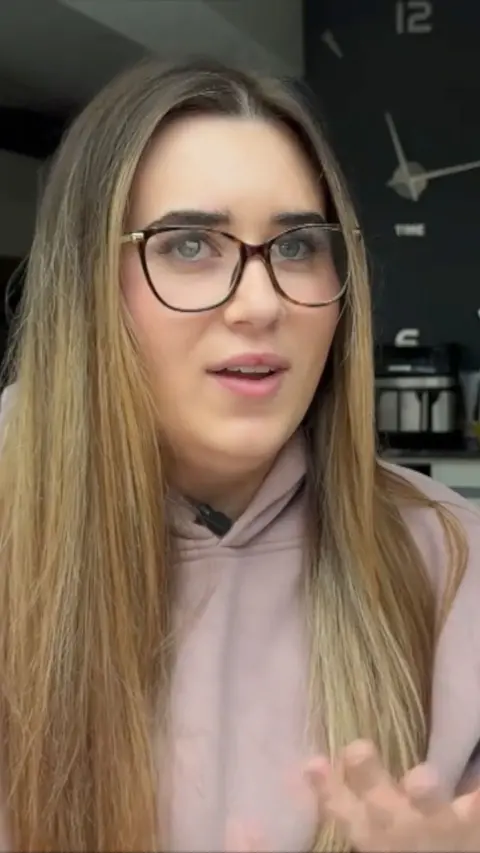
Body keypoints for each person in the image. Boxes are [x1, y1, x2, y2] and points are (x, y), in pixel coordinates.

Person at [0, 57, 478, 853]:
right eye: (189, 244)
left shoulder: (451, 559)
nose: (260, 303)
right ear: (87, 283)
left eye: (297, 246)